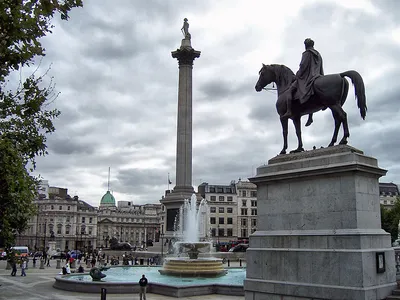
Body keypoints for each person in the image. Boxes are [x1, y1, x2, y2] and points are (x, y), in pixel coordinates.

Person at [281, 38, 324, 124]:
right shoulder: (318, 54)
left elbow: (303, 66)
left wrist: (297, 75)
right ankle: (310, 117)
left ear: (306, 45)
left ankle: (289, 111)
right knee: (311, 94)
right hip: (317, 75)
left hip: (307, 77)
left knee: (289, 91)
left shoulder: (307, 53)